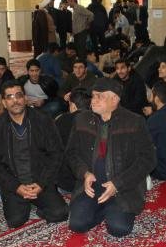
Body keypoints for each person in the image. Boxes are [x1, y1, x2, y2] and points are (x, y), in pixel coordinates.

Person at [66, 78, 156, 237]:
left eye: (99, 96)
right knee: (77, 225)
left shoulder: (134, 121)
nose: (93, 100)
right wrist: (84, 173)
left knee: (118, 229)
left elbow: (148, 159)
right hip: (92, 186)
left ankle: (111, 208)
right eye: (93, 96)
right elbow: (71, 152)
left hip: (122, 188)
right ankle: (103, 208)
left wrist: (117, 183)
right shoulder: (81, 120)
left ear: (115, 99)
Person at [0, 80, 68, 228]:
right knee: (15, 221)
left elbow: (56, 153)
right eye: (9, 97)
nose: (15, 101)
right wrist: (16, 187)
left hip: (40, 180)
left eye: (18, 95)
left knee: (60, 213)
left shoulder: (43, 120)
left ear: (25, 98)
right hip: (15, 184)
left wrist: (41, 183)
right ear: (4, 103)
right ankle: (25, 202)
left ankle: (37, 202)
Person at [56, 87, 91, 192]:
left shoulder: (62, 120)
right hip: (90, 180)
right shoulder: (97, 120)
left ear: (73, 105)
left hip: (65, 181)